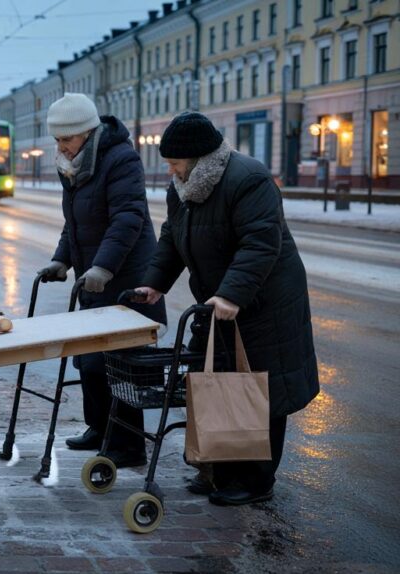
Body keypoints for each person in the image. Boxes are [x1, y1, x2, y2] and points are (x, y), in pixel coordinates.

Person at [132, 111, 320, 506]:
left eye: (174, 162)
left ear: (199, 159)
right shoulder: (182, 186)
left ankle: (255, 482)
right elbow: (171, 238)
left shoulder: (248, 179)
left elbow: (260, 242)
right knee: (218, 380)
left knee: (257, 388)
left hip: (266, 300)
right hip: (220, 301)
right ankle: (219, 469)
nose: (170, 169)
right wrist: (154, 282)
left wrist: (232, 293)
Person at [37, 93, 167, 468]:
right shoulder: (74, 164)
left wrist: (103, 268)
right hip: (93, 275)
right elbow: (75, 223)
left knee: (120, 360)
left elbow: (128, 219)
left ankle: (127, 445)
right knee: (91, 357)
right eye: (57, 139)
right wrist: (61, 260)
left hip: (124, 275)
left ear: (87, 132)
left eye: (66, 138)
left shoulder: (119, 159)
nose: (60, 146)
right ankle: (99, 427)